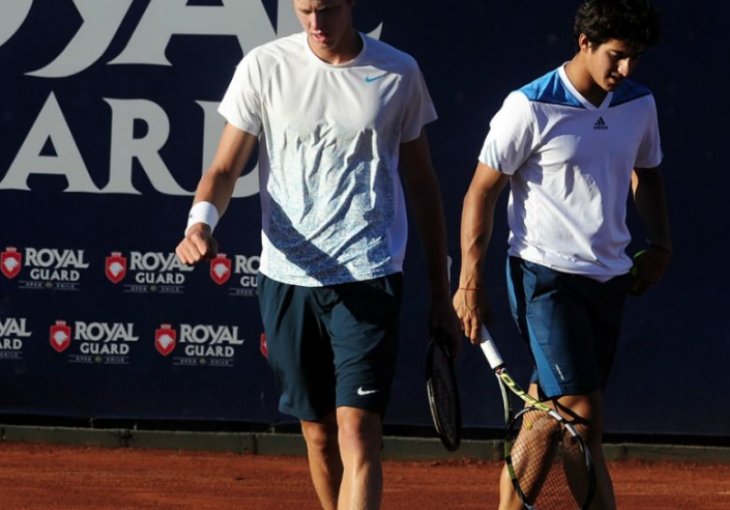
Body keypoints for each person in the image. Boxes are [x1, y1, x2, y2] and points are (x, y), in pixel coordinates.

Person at [175, 1, 459, 509]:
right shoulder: (264, 67)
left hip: (369, 275)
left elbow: (423, 187)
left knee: (357, 432)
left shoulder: (399, 71)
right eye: (304, 10)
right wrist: (200, 222)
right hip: (287, 278)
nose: (316, 24)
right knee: (320, 436)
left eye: (326, 9)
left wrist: (443, 292)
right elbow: (222, 169)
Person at [452, 1, 670, 508]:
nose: (626, 70)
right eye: (616, 56)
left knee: (551, 410)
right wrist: (469, 279)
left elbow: (649, 174)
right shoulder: (529, 106)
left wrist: (660, 242)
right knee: (582, 412)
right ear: (585, 43)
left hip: (610, 278)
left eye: (635, 58)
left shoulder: (640, 102)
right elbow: (480, 191)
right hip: (544, 276)